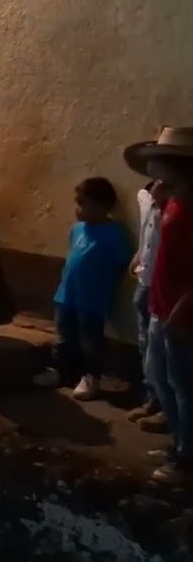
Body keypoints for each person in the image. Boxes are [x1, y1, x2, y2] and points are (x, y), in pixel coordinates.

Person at [124, 126, 193, 483]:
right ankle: (180, 444)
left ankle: (187, 461)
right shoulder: (174, 200)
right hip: (163, 305)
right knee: (167, 378)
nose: (152, 169)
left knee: (185, 386)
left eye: (158, 161)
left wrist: (180, 310)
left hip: (182, 313)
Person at [32, 178, 130, 400]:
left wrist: (106, 286)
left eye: (82, 203)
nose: (77, 209)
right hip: (67, 293)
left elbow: (121, 263)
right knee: (65, 335)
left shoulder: (113, 232)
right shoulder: (77, 229)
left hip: (92, 297)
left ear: (102, 206)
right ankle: (59, 370)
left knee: (90, 339)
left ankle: (91, 376)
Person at [128, 177, 168, 430]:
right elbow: (148, 232)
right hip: (146, 279)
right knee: (147, 344)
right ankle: (153, 399)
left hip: (166, 286)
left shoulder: (179, 200)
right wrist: (139, 255)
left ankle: (167, 409)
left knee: (163, 350)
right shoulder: (147, 194)